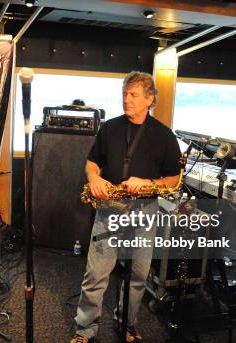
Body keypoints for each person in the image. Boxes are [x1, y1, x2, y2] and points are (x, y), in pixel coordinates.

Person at [71, 71, 182, 343]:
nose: (126, 99)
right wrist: (95, 178)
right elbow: (93, 162)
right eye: (124, 94)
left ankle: (127, 323)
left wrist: (146, 182)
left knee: (138, 276)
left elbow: (173, 178)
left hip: (144, 211)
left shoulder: (165, 136)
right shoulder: (109, 127)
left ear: (150, 99)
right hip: (109, 207)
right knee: (96, 274)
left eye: (133, 95)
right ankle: (85, 330)